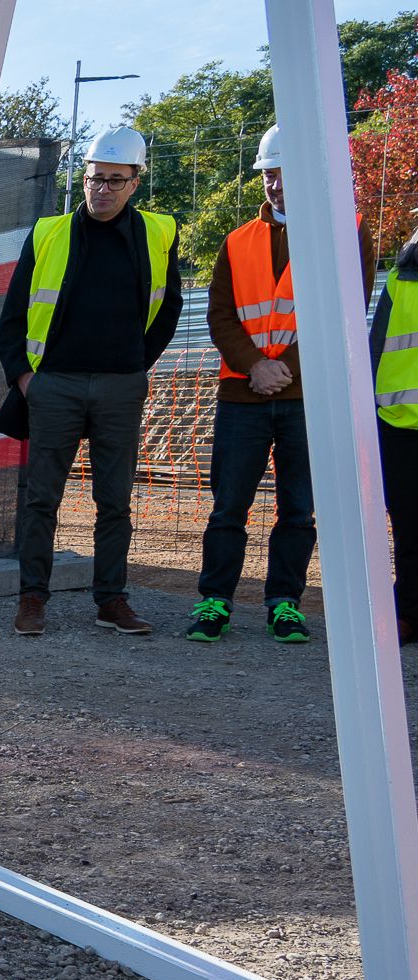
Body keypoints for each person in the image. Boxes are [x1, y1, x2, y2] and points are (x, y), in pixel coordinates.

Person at [0, 125, 183, 637]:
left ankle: (111, 602)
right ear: (84, 177)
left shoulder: (159, 234)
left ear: (136, 182)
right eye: (95, 179)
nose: (102, 189)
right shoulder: (48, 233)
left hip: (121, 386)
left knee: (115, 501)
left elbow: (168, 309)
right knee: (41, 499)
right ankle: (32, 598)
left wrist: (135, 364)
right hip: (54, 385)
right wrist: (27, 380)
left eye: (115, 181)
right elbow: (11, 317)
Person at [187, 126, 373, 644]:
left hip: (308, 397)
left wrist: (282, 367)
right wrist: (254, 365)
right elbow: (220, 315)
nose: (275, 184)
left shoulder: (347, 229)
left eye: (285, 173)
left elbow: (345, 310)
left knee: (298, 508)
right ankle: (214, 600)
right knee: (228, 505)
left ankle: (284, 603)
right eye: (269, 174)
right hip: (243, 395)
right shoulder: (237, 240)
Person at [371, 213, 418, 648]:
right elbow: (378, 344)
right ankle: (407, 613)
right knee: (407, 527)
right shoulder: (403, 274)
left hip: (400, 418)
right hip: (400, 421)